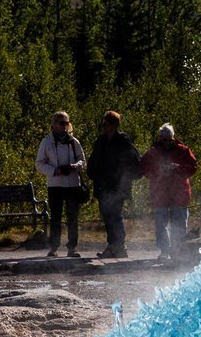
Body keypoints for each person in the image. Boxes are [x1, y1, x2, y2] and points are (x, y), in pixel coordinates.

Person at [138, 122, 198, 265]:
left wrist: (178, 168)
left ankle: (178, 252)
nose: (165, 143)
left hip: (179, 194)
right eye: (163, 139)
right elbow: (144, 167)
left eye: (168, 140)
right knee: (161, 225)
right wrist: (159, 170)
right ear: (159, 138)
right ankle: (164, 251)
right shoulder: (153, 152)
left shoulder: (183, 150)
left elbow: (193, 166)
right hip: (160, 194)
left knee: (179, 225)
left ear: (173, 138)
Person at [34, 110, 87, 258]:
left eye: (66, 123)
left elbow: (83, 161)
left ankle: (72, 248)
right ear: (54, 124)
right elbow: (39, 163)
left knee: (73, 218)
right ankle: (54, 248)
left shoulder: (73, 142)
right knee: (55, 218)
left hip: (72, 184)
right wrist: (54, 171)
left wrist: (74, 166)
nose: (64, 125)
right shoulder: (46, 142)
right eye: (61, 123)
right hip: (55, 184)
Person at [88, 111, 138, 258]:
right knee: (107, 215)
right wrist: (92, 173)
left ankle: (118, 246)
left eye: (107, 123)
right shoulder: (101, 141)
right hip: (103, 185)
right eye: (103, 123)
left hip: (118, 185)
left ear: (115, 124)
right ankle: (114, 246)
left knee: (115, 215)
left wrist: (123, 177)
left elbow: (132, 161)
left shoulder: (123, 140)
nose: (104, 126)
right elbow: (94, 160)